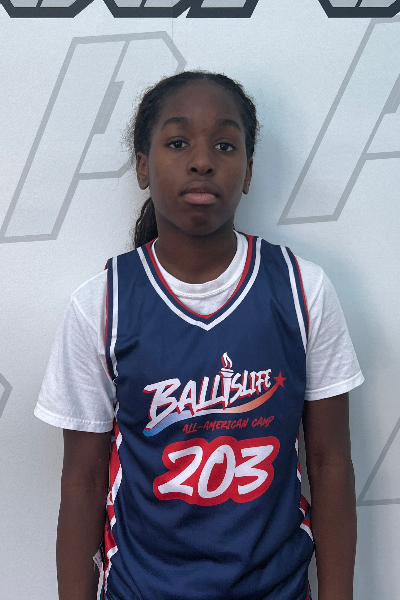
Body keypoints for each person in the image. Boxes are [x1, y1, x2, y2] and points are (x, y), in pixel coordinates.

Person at [35, 71, 364, 600]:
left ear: (248, 172)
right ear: (142, 166)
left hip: (275, 588)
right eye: (178, 142)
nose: (202, 161)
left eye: (225, 145)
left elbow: (328, 464)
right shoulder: (101, 305)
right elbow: (82, 480)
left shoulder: (302, 290)